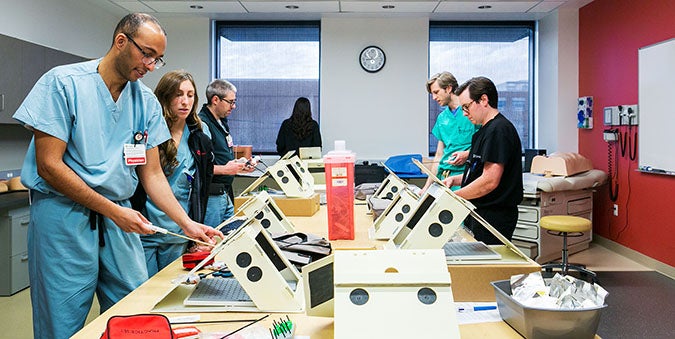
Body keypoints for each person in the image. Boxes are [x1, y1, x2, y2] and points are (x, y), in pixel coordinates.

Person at [12, 13, 222, 338]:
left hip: (118, 219)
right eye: (147, 54)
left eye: (158, 58)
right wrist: (113, 211)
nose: (152, 66)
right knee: (61, 323)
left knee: (136, 314)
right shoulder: (64, 83)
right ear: (121, 42)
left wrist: (187, 223)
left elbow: (152, 174)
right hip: (65, 219)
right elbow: (49, 166)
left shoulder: (146, 101)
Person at [140, 70, 214, 276]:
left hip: (178, 230)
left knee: (170, 285)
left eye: (190, 95)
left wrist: (196, 226)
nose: (185, 101)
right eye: (178, 94)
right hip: (144, 226)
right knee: (141, 290)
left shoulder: (200, 133)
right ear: (165, 97)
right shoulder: (150, 128)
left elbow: (202, 186)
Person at [443, 76, 523, 245]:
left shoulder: (499, 130)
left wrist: (452, 196)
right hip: (479, 212)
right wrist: (455, 180)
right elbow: (478, 172)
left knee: (488, 268)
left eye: (467, 107)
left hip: (493, 215)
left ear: (484, 100)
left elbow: (489, 181)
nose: (464, 113)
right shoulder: (483, 132)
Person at [198, 79, 255, 230]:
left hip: (224, 192)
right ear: (215, 100)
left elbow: (221, 156)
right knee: (212, 241)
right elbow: (199, 166)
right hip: (212, 195)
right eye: (230, 102)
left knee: (229, 239)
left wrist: (240, 164)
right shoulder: (203, 124)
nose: (233, 106)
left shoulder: (221, 122)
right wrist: (226, 169)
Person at [422, 72, 477, 192]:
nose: (434, 98)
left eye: (436, 92)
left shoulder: (472, 113)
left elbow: (486, 144)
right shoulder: (442, 118)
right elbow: (439, 155)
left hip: (466, 178)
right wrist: (426, 188)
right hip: (445, 179)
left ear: (448, 88)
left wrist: (467, 154)